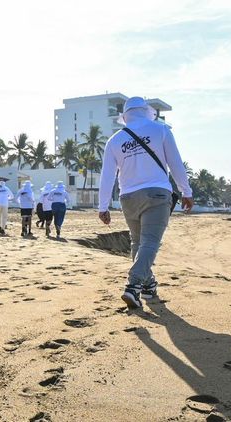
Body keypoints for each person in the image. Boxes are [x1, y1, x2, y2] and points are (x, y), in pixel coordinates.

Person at [97, 96, 193, 310]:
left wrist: (103, 206)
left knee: (137, 242)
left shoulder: (115, 140)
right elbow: (175, 163)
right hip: (157, 193)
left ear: (126, 115)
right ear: (146, 111)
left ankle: (148, 286)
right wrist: (186, 191)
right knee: (149, 242)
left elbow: (107, 176)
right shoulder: (161, 130)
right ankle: (133, 286)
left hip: (128, 197)